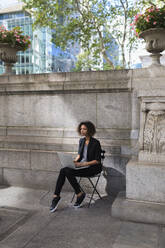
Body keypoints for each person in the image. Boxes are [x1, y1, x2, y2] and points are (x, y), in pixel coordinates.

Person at [50, 121, 102, 212]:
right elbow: (79, 155)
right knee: (64, 170)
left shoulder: (96, 143)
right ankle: (57, 196)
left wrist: (82, 164)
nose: (82, 130)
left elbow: (97, 160)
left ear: (90, 130)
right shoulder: (81, 141)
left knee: (66, 171)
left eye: (84, 129)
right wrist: (73, 161)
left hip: (92, 168)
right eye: (81, 129)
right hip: (81, 166)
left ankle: (78, 194)